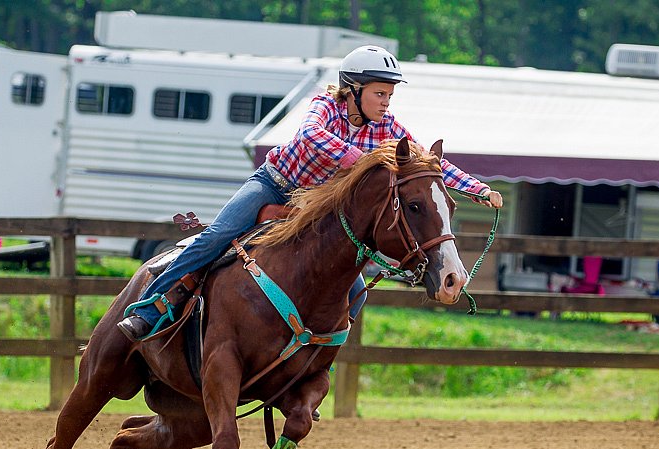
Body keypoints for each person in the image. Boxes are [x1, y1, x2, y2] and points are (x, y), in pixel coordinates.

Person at [118, 45, 504, 342]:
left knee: (354, 290)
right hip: (274, 184)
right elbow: (310, 136)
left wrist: (478, 189)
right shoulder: (324, 105)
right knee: (216, 237)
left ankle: (312, 361)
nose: (386, 102)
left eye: (389, 95)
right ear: (353, 90)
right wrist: (363, 158)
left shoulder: (388, 127)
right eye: (380, 94)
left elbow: (423, 163)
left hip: (315, 205)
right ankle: (148, 310)